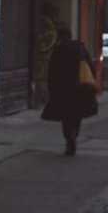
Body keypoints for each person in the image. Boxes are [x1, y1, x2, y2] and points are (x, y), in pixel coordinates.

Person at [42, 23, 99, 156]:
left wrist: (51, 88)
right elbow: (90, 67)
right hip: (80, 88)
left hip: (63, 89)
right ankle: (74, 134)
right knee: (76, 115)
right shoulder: (81, 48)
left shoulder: (59, 49)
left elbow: (52, 71)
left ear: (60, 37)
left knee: (66, 116)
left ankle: (69, 138)